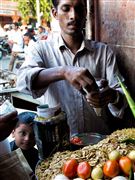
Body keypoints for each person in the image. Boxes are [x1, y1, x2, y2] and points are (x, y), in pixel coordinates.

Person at [17, 0, 127, 137]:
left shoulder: (103, 52)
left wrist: (111, 95)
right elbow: (22, 82)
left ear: (86, 13)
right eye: (66, 8)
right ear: (55, 13)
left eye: (79, 9)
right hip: (58, 148)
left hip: (99, 145)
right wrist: (63, 72)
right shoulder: (40, 49)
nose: (73, 15)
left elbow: (123, 98)